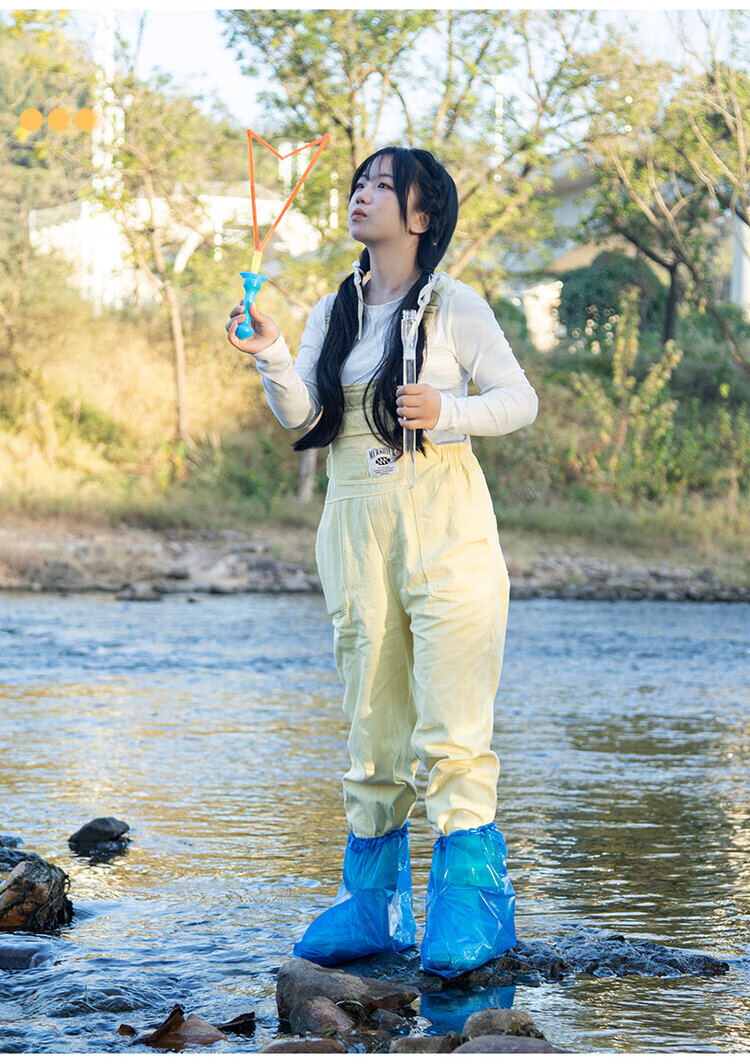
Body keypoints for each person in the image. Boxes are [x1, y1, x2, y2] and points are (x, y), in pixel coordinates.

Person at [225, 146, 539, 979]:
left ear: (422, 215)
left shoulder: (454, 305)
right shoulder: (336, 309)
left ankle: (473, 902)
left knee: (451, 724)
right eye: (358, 183)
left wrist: (450, 409)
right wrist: (270, 353)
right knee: (372, 719)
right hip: (355, 525)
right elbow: (306, 415)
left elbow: (520, 399)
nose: (361, 195)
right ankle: (374, 903)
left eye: (380, 186)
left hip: (448, 522)